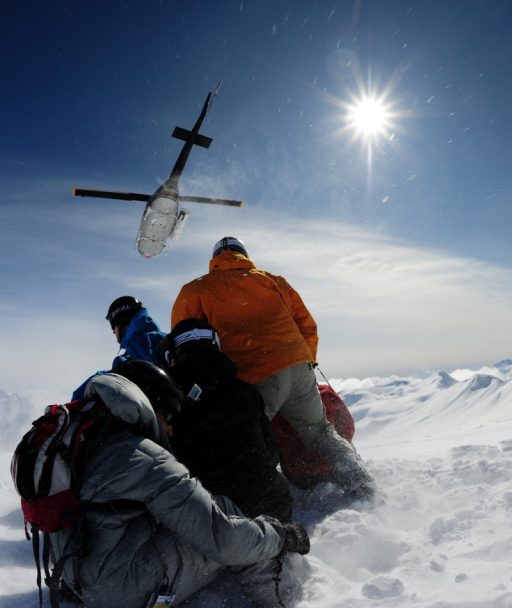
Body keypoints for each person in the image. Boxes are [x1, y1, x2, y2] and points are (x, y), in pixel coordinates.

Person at [53, 371, 310, 608]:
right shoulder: (143, 457)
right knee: (228, 516)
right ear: (151, 408)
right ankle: (288, 596)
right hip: (118, 592)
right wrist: (280, 536)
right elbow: (223, 539)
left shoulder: (81, 438)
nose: (171, 429)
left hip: (74, 575)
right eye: (168, 417)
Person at [171, 236, 375, 499]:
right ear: (243, 254)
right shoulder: (273, 280)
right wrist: (305, 360)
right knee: (321, 432)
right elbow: (307, 326)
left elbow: (184, 340)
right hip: (298, 366)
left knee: (246, 439)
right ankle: (363, 484)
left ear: (215, 259)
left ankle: (262, 504)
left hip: (254, 376)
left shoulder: (196, 289)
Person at [156, 318, 293, 522]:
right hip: (269, 509)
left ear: (174, 352)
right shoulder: (245, 392)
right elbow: (270, 453)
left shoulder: (166, 402)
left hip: (206, 517)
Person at [71, 296, 166, 400]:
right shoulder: (164, 338)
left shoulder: (138, 341)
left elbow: (142, 372)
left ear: (121, 321)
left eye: (113, 326)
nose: (113, 332)